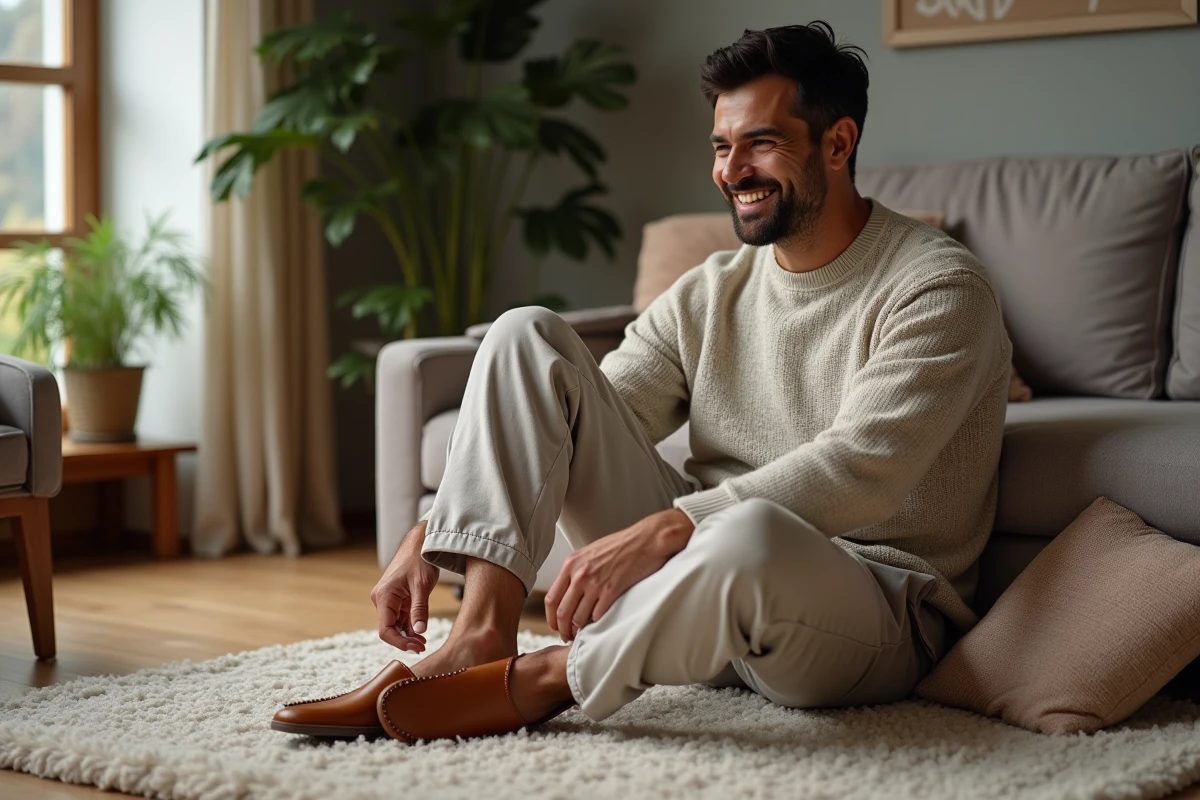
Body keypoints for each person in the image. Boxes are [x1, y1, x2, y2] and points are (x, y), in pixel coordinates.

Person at [272, 21, 1012, 743]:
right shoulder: (712, 288)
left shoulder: (938, 286)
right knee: (525, 335)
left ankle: (546, 682)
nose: (731, 171)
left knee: (749, 530)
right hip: (700, 588)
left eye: (761, 143)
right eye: (722, 146)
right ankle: (480, 639)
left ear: (838, 143)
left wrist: (674, 525)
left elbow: (864, 468)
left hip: (864, 615)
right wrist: (430, 531)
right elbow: (579, 411)